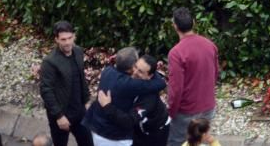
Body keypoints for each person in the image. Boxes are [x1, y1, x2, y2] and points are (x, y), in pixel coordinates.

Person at [83, 47, 167, 146]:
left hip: (98, 129)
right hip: (113, 137)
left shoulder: (108, 71)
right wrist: (108, 107)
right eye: (135, 67)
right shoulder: (129, 84)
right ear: (131, 66)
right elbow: (161, 83)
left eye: (140, 71)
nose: (135, 72)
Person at [166, 9, 219, 146]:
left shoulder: (176, 53)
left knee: (179, 142)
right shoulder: (210, 45)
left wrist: (171, 111)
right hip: (208, 106)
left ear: (175, 26)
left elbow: (176, 89)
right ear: (193, 23)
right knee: (202, 140)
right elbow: (215, 74)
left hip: (186, 111)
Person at [40, 22, 94, 146]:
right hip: (61, 115)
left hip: (79, 112)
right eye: (63, 39)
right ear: (56, 40)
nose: (67, 42)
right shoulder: (50, 61)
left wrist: (86, 101)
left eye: (70, 38)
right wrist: (59, 116)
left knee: (87, 143)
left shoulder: (78, 51)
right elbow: (46, 90)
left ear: (74, 36)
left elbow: (81, 78)